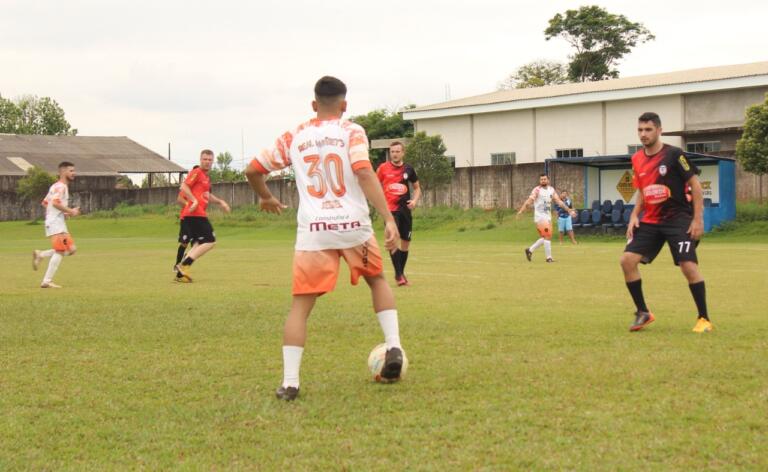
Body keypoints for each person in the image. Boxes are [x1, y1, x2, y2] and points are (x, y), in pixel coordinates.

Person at [245, 76, 405, 401]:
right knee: (377, 280)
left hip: (314, 230)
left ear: (314, 105)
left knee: (301, 307)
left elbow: (252, 169)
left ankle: (290, 383)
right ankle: (394, 346)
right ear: (344, 106)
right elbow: (363, 171)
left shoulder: (294, 135)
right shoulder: (352, 131)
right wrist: (389, 218)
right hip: (353, 226)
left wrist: (265, 197)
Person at [620, 112, 713, 333]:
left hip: (678, 220)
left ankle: (704, 319)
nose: (644, 134)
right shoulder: (636, 159)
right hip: (651, 221)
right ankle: (643, 312)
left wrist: (698, 219)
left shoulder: (674, 155)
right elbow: (642, 190)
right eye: (640, 130)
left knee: (688, 266)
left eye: (648, 129)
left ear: (659, 130)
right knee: (627, 261)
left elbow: (696, 187)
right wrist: (634, 216)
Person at [174, 151, 231, 281]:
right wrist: (193, 201)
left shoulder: (205, 178)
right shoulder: (197, 172)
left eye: (210, 159)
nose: (207, 161)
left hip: (197, 214)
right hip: (195, 213)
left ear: (213, 161)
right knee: (210, 240)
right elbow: (184, 186)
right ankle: (184, 264)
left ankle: (180, 273)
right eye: (205, 159)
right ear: (200, 159)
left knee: (198, 243)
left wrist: (220, 202)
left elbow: (207, 195)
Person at [376, 141, 421, 286]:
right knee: (393, 239)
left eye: (397, 151)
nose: (394, 154)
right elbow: (375, 186)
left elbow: (417, 188)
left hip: (405, 211)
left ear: (403, 153)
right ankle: (399, 275)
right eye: (392, 151)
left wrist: (414, 201)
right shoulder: (383, 168)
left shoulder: (409, 169)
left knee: (405, 243)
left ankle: (400, 273)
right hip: (390, 211)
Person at [32, 161, 80, 288]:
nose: (73, 173)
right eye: (71, 171)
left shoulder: (54, 186)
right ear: (63, 172)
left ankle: (41, 254)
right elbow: (55, 203)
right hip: (55, 223)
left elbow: (45, 203)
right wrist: (71, 211)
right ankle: (46, 281)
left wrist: (63, 214)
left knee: (71, 249)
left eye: (73, 170)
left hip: (56, 222)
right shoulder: (61, 187)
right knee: (60, 250)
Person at [517, 174, 576, 263]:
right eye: (541, 179)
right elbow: (529, 200)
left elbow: (559, 201)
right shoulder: (537, 190)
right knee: (547, 236)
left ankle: (529, 250)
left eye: (545, 179)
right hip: (540, 217)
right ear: (539, 181)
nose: (543, 181)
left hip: (548, 217)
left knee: (546, 237)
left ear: (548, 180)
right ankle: (549, 258)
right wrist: (521, 211)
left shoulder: (551, 190)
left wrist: (568, 210)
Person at [173, 165, 198, 282]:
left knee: (197, 245)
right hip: (186, 219)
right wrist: (191, 205)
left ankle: (181, 267)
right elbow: (179, 199)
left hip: (197, 220)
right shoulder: (188, 186)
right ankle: (179, 269)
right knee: (184, 243)